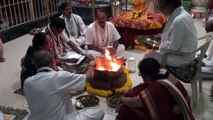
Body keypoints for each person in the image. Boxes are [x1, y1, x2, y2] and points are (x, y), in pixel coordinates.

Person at [24, 50, 105, 120]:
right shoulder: (59, 76)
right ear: (53, 63)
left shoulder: (27, 82)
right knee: (99, 112)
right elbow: (88, 77)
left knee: (72, 101)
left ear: (36, 65)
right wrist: (91, 65)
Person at [116, 58, 194, 120]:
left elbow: (132, 103)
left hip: (176, 116)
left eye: (141, 75)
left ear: (147, 77)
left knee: (126, 109)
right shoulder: (165, 73)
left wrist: (122, 98)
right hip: (183, 110)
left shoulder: (155, 89)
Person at [143, 0, 198, 67]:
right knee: (150, 54)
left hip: (182, 58)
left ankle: (154, 76)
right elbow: (178, 36)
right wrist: (163, 36)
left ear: (171, 6)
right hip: (186, 54)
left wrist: (155, 46)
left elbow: (173, 48)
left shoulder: (178, 20)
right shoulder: (184, 14)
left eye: (162, 8)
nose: (160, 10)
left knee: (147, 58)